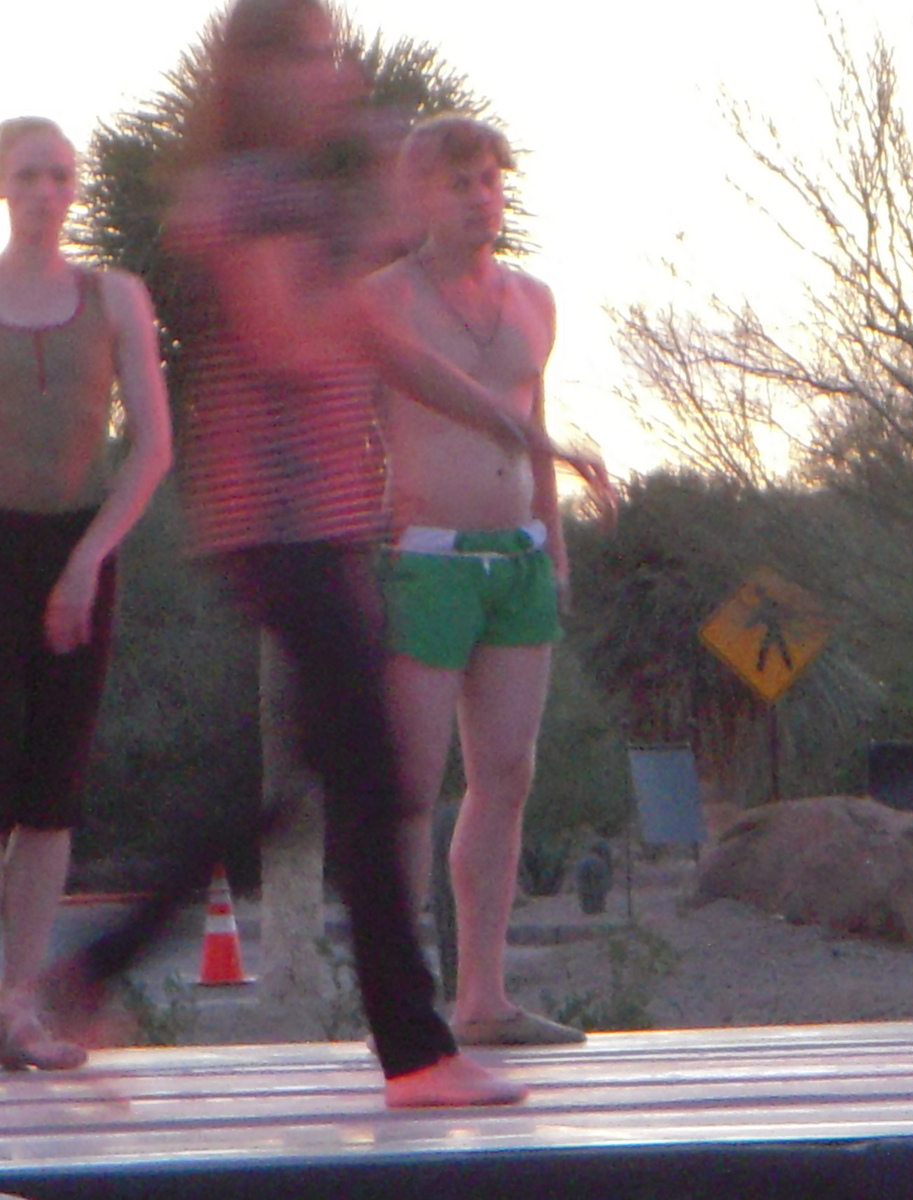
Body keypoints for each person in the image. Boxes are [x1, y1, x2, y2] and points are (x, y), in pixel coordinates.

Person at [38, 0, 537, 1107]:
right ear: (258, 72)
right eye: (312, 54)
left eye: (332, 52)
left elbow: (375, 342)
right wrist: (381, 228)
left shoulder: (302, 195)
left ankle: (96, 968)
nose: (333, 72)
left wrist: (510, 422)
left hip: (323, 522)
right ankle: (417, 1052)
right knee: (374, 780)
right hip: (274, 520)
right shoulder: (245, 193)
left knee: (321, 777)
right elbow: (293, 338)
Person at [368, 115, 586, 1047]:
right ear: (420, 195)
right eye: (458, 182)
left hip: (519, 557)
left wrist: (556, 547)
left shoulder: (535, 299)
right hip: (426, 556)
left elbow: (537, 424)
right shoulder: (384, 299)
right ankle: (401, 1002)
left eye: (489, 179)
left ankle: (484, 996)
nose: (478, 196)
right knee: (411, 784)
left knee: (506, 774)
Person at [0, 118, 172, 1070]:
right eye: (28, 174)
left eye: (60, 176)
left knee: (51, 789)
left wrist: (87, 560)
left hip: (79, 543)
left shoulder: (114, 296)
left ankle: (18, 1008)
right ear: (2, 185)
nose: (45, 191)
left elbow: (151, 445)